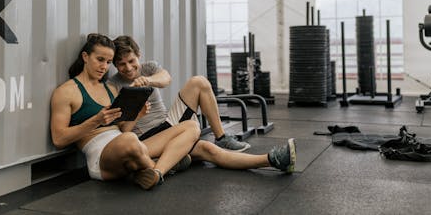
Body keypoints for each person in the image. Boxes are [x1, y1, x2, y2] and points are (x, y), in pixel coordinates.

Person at [109, 35, 297, 173]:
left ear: (138, 55)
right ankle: (272, 160)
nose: (128, 68)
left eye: (131, 61)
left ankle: (228, 139)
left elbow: (166, 79)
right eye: (121, 64)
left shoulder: (148, 68)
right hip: (148, 139)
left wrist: (147, 81)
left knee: (198, 82)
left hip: (168, 124)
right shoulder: (114, 84)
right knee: (207, 150)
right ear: (115, 65)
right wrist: (136, 110)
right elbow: (122, 128)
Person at [50, 33, 200, 191]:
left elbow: (124, 128)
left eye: (108, 62)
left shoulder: (110, 89)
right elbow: (59, 139)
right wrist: (96, 121)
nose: (104, 67)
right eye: (100, 60)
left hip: (128, 145)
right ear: (85, 57)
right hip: (101, 156)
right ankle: (166, 164)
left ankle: (157, 172)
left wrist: (137, 115)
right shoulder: (66, 92)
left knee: (191, 126)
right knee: (130, 140)